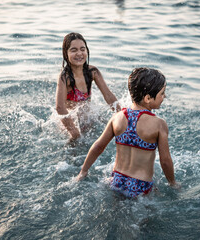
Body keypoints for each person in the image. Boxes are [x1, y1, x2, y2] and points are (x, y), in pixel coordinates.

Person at [77, 67, 180, 198]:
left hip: (116, 181)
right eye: (162, 93)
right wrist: (173, 183)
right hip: (141, 187)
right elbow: (165, 161)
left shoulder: (117, 117)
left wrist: (83, 171)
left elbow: (98, 146)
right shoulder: (159, 124)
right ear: (148, 98)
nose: (164, 97)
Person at [56, 32, 120, 141]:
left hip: (88, 119)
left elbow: (109, 96)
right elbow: (60, 108)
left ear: (87, 51)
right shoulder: (65, 77)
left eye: (82, 49)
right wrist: (75, 133)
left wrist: (122, 117)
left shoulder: (92, 72)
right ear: (66, 54)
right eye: (74, 50)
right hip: (71, 124)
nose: (79, 53)